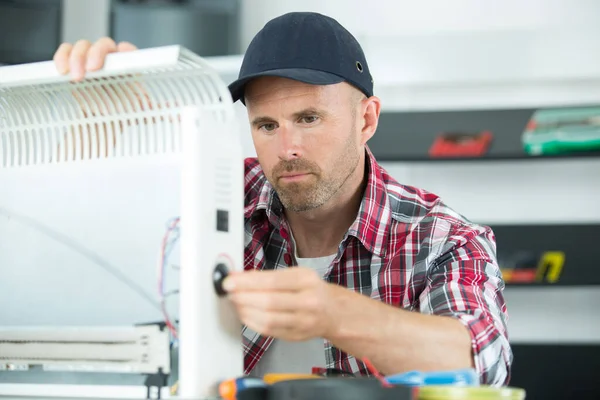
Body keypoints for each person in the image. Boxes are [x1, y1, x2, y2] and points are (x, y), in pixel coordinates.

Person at [53, 12, 512, 386]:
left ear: (366, 120)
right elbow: (98, 226)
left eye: (309, 118)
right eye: (266, 126)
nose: (286, 148)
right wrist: (104, 118)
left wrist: (334, 313)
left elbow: (481, 362)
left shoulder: (441, 236)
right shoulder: (217, 195)